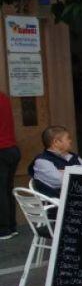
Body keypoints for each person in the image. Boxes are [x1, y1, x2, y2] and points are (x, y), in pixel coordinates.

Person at [30, 126, 82, 199]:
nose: (70, 141)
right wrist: (78, 171)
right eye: (68, 138)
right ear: (56, 142)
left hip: (80, 199)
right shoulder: (42, 161)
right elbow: (60, 181)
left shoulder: (72, 156)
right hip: (57, 204)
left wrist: (66, 171)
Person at [0, 91, 19, 239]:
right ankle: (12, 226)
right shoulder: (3, 97)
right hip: (11, 149)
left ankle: (3, 229)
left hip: (1, 149)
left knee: (1, 191)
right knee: (7, 189)